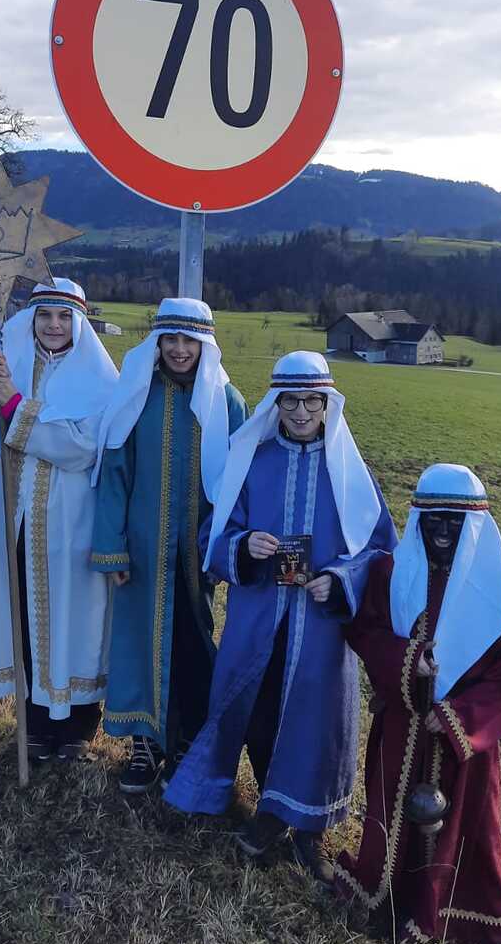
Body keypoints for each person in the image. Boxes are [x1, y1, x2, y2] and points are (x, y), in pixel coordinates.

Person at [164, 351, 396, 884]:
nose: (300, 411)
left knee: (316, 718)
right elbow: (214, 536)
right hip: (259, 618)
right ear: (276, 403)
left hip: (320, 627)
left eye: (311, 401)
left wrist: (340, 579)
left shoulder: (349, 471)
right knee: (258, 711)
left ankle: (308, 827)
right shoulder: (254, 461)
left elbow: (380, 550)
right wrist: (245, 545)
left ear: (327, 404)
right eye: (290, 401)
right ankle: (271, 812)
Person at [334, 463, 501, 944]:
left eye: (455, 522)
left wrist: (458, 717)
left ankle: (484, 923)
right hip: (402, 727)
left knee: (476, 827)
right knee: (393, 813)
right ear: (418, 521)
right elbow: (365, 632)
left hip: (464, 744)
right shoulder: (392, 573)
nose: (443, 532)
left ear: (474, 526)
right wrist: (408, 662)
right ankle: (388, 897)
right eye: (433, 521)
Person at [90, 298, 247, 793]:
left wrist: (223, 547)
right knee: (140, 642)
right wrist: (112, 546)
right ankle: (144, 744)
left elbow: (238, 484)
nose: (180, 350)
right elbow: (115, 473)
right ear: (157, 342)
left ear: (206, 345)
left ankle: (186, 743)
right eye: (171, 339)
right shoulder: (137, 394)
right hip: (142, 551)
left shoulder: (228, 402)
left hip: (198, 554)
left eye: (190, 340)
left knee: (192, 644)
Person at [0, 279, 118, 761]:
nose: (54, 325)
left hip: (73, 517)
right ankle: (32, 719)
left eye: (64, 316)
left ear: (79, 322)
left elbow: (81, 449)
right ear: (30, 320)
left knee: (75, 616)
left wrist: (15, 405)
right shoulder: (10, 365)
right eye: (45, 315)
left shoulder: (99, 379)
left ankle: (76, 724)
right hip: (16, 515)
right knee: (24, 611)